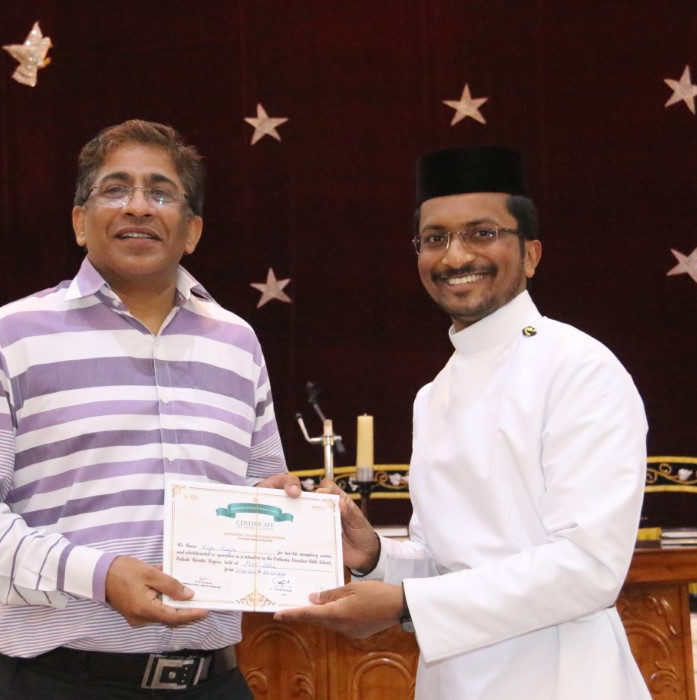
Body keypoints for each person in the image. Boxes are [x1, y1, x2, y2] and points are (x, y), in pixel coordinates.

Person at [0, 119, 301, 699]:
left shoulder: (237, 341)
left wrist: (286, 512)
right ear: (79, 221)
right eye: (115, 189)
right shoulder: (8, 335)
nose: (138, 206)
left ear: (192, 231)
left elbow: (258, 492)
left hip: (214, 681)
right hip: (59, 682)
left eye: (161, 193)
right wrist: (97, 576)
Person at [275, 146, 651, 699]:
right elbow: (446, 562)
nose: (454, 257)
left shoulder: (579, 367)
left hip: (561, 679)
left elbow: (588, 569)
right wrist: (374, 555)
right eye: (435, 238)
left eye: (482, 233)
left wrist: (405, 605)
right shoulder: (434, 394)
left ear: (531, 254)